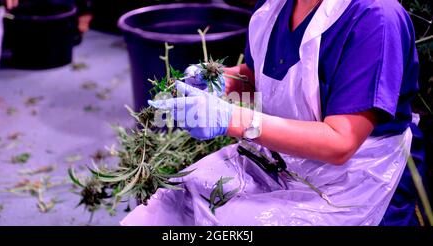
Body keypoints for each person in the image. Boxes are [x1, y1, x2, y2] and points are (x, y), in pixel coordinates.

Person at [121, 0, 426, 225]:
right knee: (173, 206)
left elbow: (340, 143)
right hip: (280, 160)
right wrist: (224, 81)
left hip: (353, 183)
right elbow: (272, 80)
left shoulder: (374, 19)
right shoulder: (275, 8)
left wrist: (232, 119)